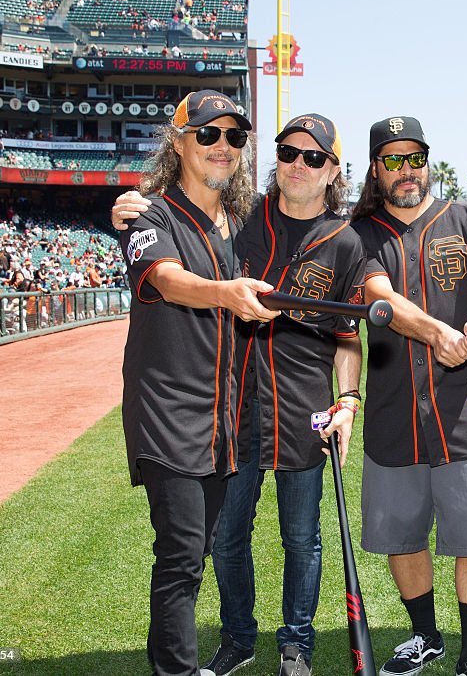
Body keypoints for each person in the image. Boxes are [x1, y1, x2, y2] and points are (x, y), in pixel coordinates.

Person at [113, 113, 364, 676]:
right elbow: (170, 240)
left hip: (304, 409)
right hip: (228, 406)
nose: (299, 164)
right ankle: (238, 636)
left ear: (333, 171)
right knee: (225, 538)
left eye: (315, 157)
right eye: (289, 152)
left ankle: (296, 644)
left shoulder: (346, 241)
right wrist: (126, 211)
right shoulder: (242, 217)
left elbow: (351, 338)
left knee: (302, 538)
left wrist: (348, 401)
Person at [119, 89, 280, 676]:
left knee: (197, 551)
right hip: (168, 411)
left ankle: (168, 659)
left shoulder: (239, 223)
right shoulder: (150, 212)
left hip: (223, 419)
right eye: (208, 134)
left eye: (234, 137)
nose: (222, 146)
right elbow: (163, 278)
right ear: (179, 142)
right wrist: (226, 294)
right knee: (183, 557)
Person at [351, 116, 467, 676]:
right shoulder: (361, 232)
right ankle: (425, 637)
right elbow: (380, 296)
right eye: (392, 159)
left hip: (465, 408)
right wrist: (439, 333)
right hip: (395, 411)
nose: (406, 169)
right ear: (377, 168)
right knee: (403, 535)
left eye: (414, 157)